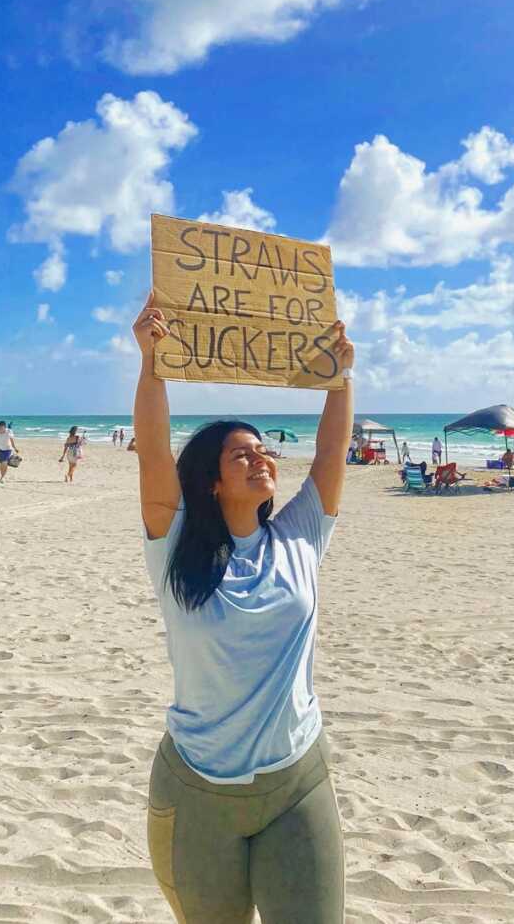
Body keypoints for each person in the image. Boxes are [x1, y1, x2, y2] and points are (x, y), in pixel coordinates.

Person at [132, 291, 353, 924]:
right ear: (212, 480)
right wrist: (151, 362)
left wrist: (340, 378)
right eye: (241, 455)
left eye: (263, 451)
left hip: (296, 781)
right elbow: (152, 452)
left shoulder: (302, 535)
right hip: (197, 794)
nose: (260, 459)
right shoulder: (175, 548)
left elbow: (331, 454)